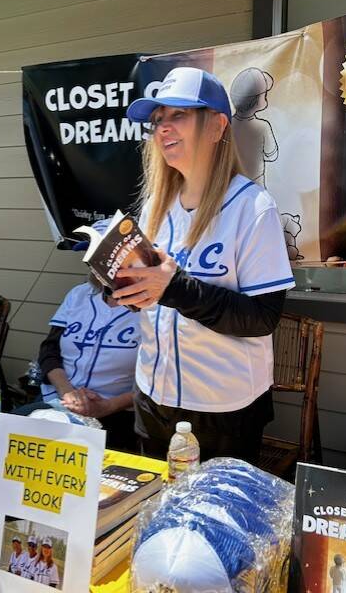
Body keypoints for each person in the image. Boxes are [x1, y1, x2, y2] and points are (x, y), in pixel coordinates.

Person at [115, 66, 295, 463]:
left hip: (223, 410)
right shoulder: (153, 208)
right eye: (158, 119)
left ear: (217, 126)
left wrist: (174, 287)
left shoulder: (252, 207)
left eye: (179, 115)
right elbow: (147, 298)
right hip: (152, 397)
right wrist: (121, 286)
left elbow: (262, 318)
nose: (163, 128)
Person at [36, 220, 141, 451]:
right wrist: (67, 393)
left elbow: (158, 382)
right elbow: (49, 350)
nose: (90, 263)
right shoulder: (79, 294)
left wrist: (107, 406)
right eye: (88, 255)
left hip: (117, 415)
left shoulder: (153, 308)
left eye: (98, 256)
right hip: (58, 402)